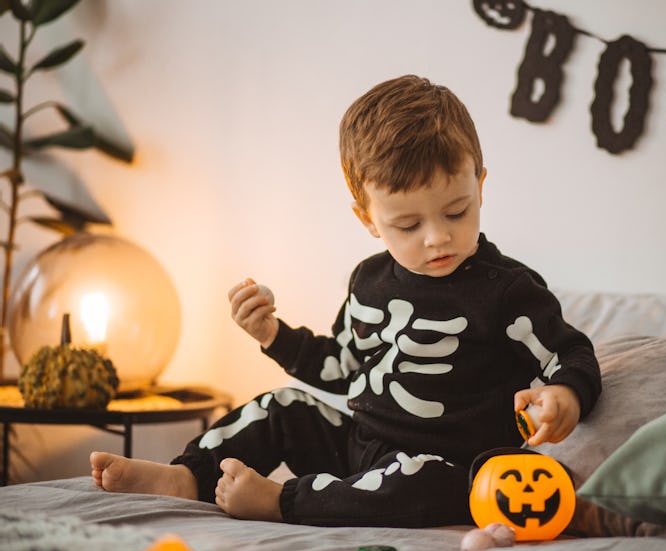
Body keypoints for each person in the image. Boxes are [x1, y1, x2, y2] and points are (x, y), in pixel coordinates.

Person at [90, 74, 601, 527]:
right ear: (367, 219)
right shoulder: (368, 281)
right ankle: (187, 477)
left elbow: (571, 354)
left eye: (456, 212)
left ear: (480, 188)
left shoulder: (508, 290)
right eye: (408, 224)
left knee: (423, 483)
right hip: (357, 443)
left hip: (448, 467)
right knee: (283, 406)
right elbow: (340, 365)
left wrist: (567, 396)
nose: (436, 238)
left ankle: (283, 501)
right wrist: (273, 335)